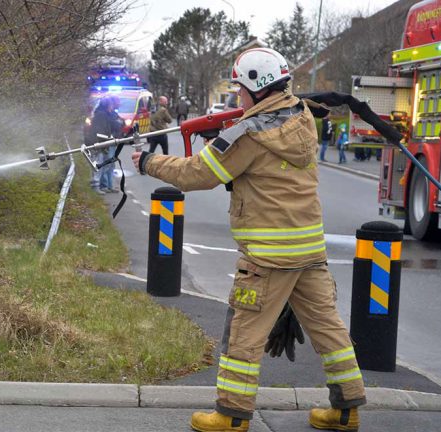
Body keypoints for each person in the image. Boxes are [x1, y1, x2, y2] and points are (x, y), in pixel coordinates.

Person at [132, 48, 365, 432]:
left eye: (240, 89)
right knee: (330, 330)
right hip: (308, 251)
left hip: (267, 257)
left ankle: (232, 415)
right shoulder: (303, 116)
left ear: (257, 88)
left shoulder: (249, 135)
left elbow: (197, 174)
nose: (238, 96)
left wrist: (147, 162)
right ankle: (346, 409)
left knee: (243, 335)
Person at [100, 95, 124, 193]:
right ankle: (104, 185)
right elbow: (113, 125)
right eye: (118, 101)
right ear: (112, 103)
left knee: (112, 165)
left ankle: (110, 185)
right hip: (109, 141)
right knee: (107, 163)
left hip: (114, 141)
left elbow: (121, 123)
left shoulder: (113, 113)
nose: (119, 103)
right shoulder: (105, 114)